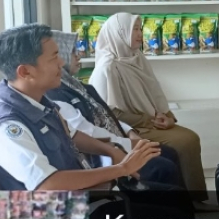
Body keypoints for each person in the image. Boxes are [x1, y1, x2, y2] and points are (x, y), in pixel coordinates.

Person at [0, 24, 161, 190]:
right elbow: (48, 185)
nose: (62, 63)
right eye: (54, 57)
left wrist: (110, 150)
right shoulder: (7, 127)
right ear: (25, 72)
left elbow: (71, 134)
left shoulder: (41, 104)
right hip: (59, 211)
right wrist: (122, 169)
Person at [88, 13, 208, 201]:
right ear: (119, 33)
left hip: (152, 121)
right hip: (131, 128)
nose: (139, 34)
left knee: (190, 138)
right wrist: (147, 120)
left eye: (140, 29)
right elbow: (109, 115)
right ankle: (187, 201)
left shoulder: (137, 57)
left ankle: (193, 199)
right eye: (134, 29)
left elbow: (154, 92)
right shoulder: (107, 68)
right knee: (185, 141)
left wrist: (168, 117)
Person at [46, 30, 184, 187]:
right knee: (164, 167)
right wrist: (126, 143)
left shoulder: (80, 86)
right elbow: (88, 133)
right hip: (103, 154)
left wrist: (130, 132)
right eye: (71, 52)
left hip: (119, 140)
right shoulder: (56, 95)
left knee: (169, 153)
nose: (78, 56)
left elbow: (107, 116)